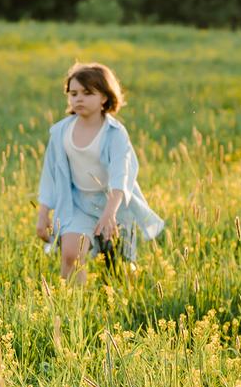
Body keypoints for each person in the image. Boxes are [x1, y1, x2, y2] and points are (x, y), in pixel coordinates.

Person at [34, 61, 165, 283]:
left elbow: (120, 175)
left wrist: (109, 213)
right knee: (70, 255)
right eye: (73, 93)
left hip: (114, 203)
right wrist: (43, 212)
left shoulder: (114, 134)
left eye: (87, 93)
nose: (78, 98)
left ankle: (121, 301)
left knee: (120, 264)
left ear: (104, 97)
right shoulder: (61, 132)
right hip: (77, 204)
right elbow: (51, 174)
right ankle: (72, 308)